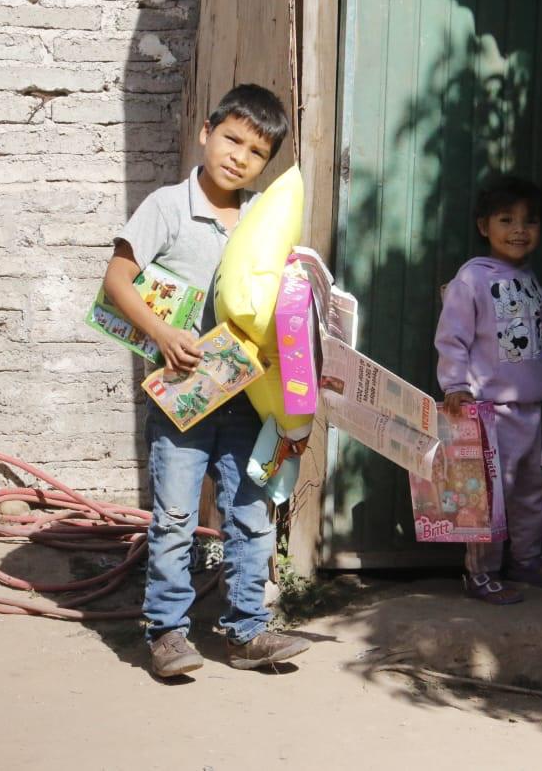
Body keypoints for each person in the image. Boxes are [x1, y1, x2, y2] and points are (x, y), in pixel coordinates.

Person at [103, 84, 310, 676]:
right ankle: (167, 633)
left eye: (256, 152)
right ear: (206, 133)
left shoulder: (261, 218)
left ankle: (247, 631)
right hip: (182, 398)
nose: (239, 157)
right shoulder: (168, 207)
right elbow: (117, 281)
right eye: (232, 140)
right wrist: (163, 333)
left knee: (250, 512)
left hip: (245, 399)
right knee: (173, 518)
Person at [434, 175, 542, 604]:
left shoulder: (528, 278)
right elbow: (452, 338)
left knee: (530, 492)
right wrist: (455, 385)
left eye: (529, 221)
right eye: (506, 220)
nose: (519, 230)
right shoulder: (471, 279)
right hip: (486, 412)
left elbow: (534, 317)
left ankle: (526, 560)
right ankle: (480, 573)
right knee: (485, 497)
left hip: (529, 410)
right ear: (484, 227)